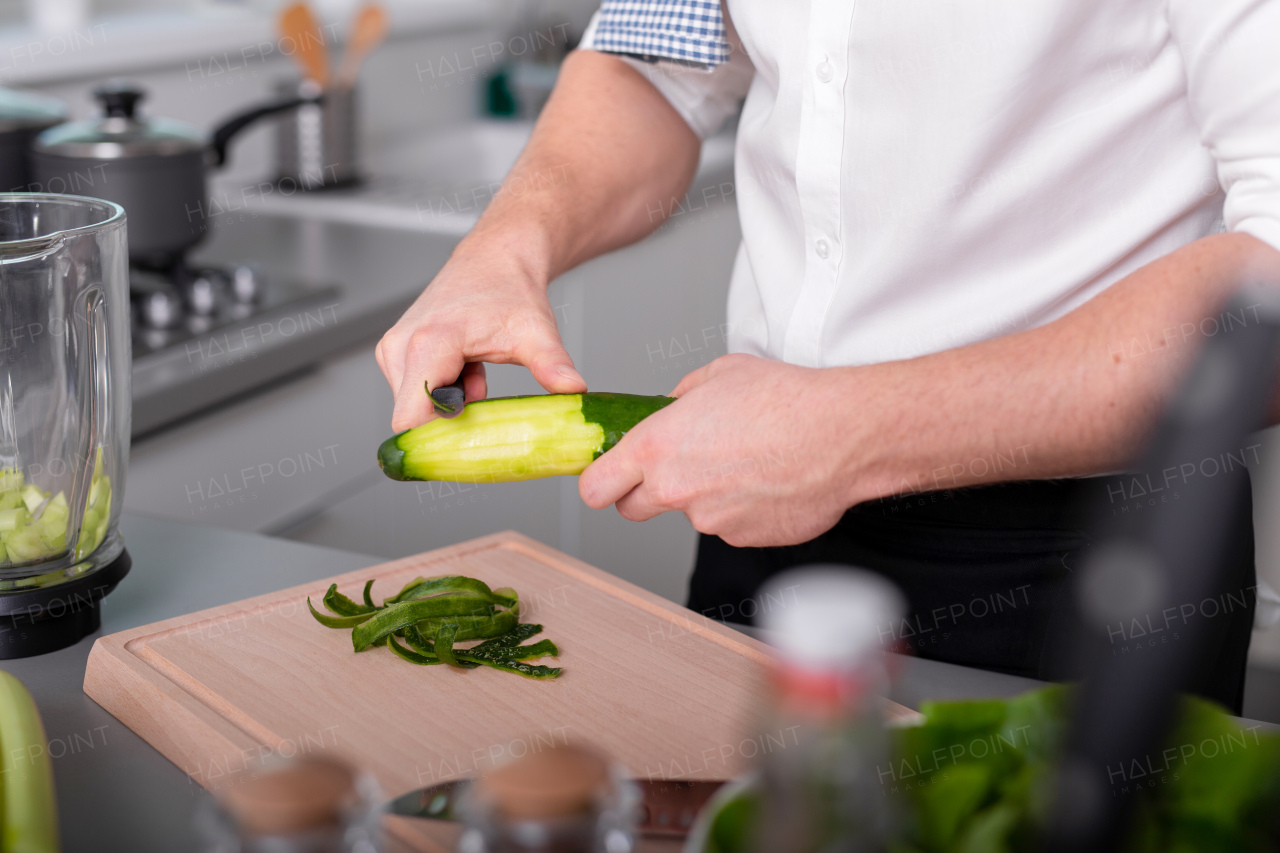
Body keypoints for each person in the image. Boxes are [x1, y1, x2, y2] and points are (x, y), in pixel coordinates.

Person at [377, 0, 1280, 712]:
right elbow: (653, 68)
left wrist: (850, 430)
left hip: (1087, 544)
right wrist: (501, 251)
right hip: (752, 500)